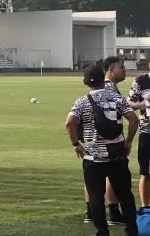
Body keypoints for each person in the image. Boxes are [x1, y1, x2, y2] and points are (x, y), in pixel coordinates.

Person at [65, 64, 139, 236]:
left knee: (96, 196)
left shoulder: (82, 102)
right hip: (117, 155)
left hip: (93, 158)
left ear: (85, 82)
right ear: (103, 79)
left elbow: (70, 123)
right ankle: (131, 229)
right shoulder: (116, 98)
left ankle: (103, 231)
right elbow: (133, 120)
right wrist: (128, 141)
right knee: (125, 195)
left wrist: (76, 144)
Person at [129, 59, 150, 208]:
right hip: (147, 132)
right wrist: (141, 105)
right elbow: (129, 103)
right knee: (146, 172)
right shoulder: (141, 81)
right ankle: (145, 208)